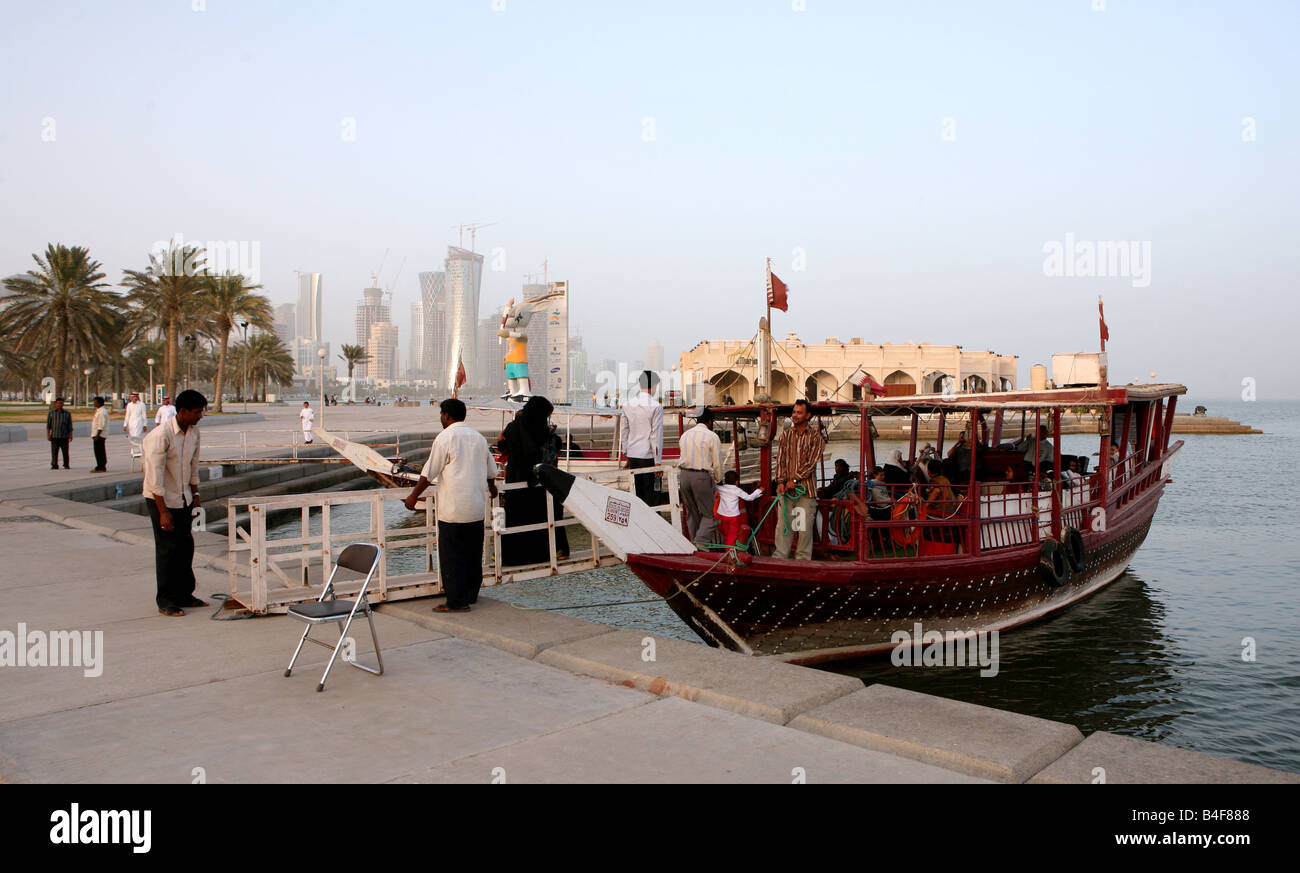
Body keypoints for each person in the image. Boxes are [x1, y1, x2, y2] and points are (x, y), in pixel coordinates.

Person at [404, 398, 498, 612]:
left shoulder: (445, 438)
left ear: (446, 415)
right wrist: (492, 488)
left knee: (452, 556)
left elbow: (429, 472)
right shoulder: (479, 438)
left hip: (453, 509)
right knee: (473, 556)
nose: (441, 418)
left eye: (441, 415)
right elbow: (491, 470)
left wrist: (413, 496)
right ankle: (471, 595)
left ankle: (456, 602)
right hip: (475, 507)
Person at [142, 390, 207, 617]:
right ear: (183, 411)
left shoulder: (195, 433)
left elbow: (194, 467)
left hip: (184, 498)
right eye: (197, 412)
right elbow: (154, 478)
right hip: (161, 500)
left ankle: (184, 594)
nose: (200, 416)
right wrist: (163, 513)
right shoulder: (161, 436)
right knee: (167, 550)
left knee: (185, 546)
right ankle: (166, 600)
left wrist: (196, 497)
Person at [495, 395, 555, 566]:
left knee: (513, 515)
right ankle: (538, 555)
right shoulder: (541, 428)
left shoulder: (513, 426)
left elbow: (503, 447)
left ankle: (509, 557)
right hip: (535, 479)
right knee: (536, 516)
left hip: (515, 476)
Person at [773, 398, 824, 560]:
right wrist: (780, 482)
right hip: (786, 491)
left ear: (807, 415)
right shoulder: (786, 435)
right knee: (783, 525)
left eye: (799, 413)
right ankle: (780, 557)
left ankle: (802, 559)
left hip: (805, 491)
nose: (795, 415)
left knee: (804, 527)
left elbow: (810, 464)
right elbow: (780, 460)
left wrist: (794, 480)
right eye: (794, 412)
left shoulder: (816, 437)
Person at [677, 408, 724, 545]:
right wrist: (719, 480)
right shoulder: (712, 436)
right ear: (710, 421)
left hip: (684, 475)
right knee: (710, 515)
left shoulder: (685, 435)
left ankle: (693, 543)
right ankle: (701, 542)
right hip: (701, 476)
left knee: (692, 513)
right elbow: (717, 463)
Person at [620, 371, 663, 506]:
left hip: (633, 455)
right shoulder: (656, 406)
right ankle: (651, 522)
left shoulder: (627, 405)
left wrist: (626, 453)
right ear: (654, 385)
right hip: (648, 456)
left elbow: (624, 431)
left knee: (637, 492)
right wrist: (658, 462)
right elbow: (656, 435)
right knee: (652, 493)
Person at [714, 470, 762, 547]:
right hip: (733, 517)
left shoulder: (721, 488)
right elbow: (749, 498)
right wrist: (758, 491)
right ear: (737, 482)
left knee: (726, 535)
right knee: (732, 536)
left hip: (723, 516)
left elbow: (712, 486)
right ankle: (730, 553)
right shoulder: (737, 490)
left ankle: (728, 552)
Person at [46, 397, 73, 470]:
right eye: (58, 403)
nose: (59, 404)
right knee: (54, 452)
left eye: (61, 403)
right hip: (54, 436)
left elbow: (69, 425)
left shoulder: (67, 414)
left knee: (65, 452)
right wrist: (48, 435)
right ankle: (54, 464)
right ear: (55, 404)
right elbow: (48, 425)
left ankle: (66, 464)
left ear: (63, 404)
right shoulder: (51, 413)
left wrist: (70, 435)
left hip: (64, 436)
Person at [90, 396, 109, 472]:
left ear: (99, 403)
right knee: (99, 451)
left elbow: (101, 425)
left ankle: (101, 466)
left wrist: (97, 435)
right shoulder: (99, 411)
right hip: (97, 434)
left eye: (95, 402)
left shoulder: (102, 412)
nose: (94, 403)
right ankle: (100, 465)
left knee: (99, 451)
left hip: (99, 435)